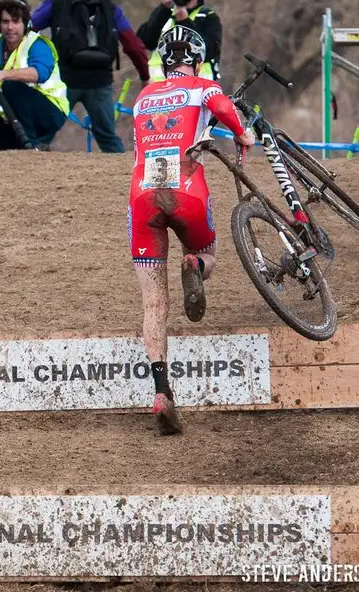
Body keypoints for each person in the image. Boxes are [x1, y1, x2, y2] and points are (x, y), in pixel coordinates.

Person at [128, 26, 253, 435]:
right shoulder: (204, 86)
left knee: (153, 303)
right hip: (186, 188)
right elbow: (224, 109)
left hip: (143, 194)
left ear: (164, 63)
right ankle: (195, 265)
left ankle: (161, 391)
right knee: (209, 253)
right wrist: (243, 134)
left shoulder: (144, 96)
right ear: (197, 61)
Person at [31, 0, 150, 153]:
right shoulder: (110, 7)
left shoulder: (58, 2)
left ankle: (29, 166)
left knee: (43, 134)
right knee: (107, 137)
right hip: (100, 81)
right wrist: (144, 76)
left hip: (64, 80)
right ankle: (123, 177)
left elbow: (28, 27)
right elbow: (133, 46)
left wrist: (33, 64)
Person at [0, 0, 68, 151]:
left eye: (16, 21)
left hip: (50, 111)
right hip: (12, 114)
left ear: (26, 24)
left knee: (12, 85)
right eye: (5, 21)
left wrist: (2, 74)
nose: (10, 27)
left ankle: (29, 146)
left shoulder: (37, 44)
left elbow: (40, 74)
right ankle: (19, 146)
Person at [136, 0, 222, 82]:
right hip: (159, 87)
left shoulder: (208, 16)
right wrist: (163, 9)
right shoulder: (165, 13)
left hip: (197, 87)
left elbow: (209, 50)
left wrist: (184, 21)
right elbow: (144, 41)